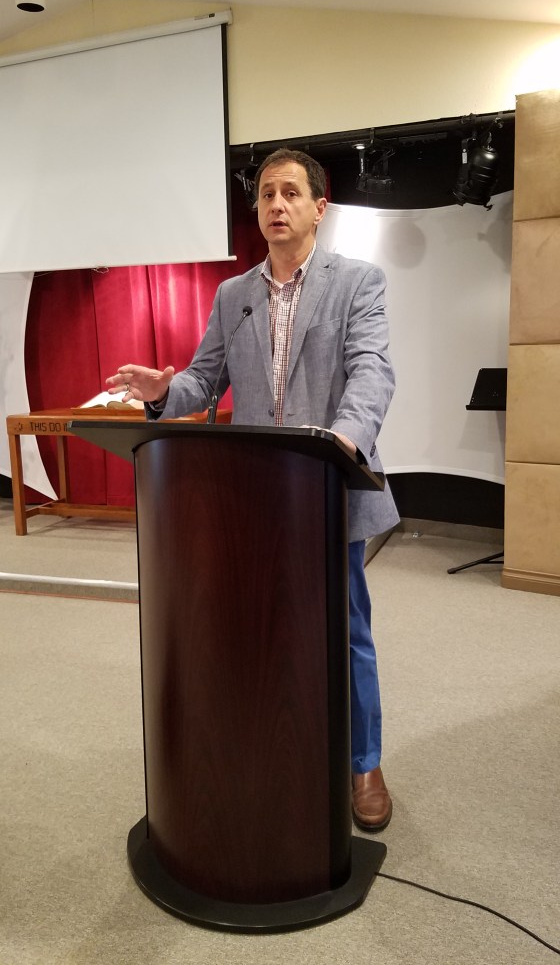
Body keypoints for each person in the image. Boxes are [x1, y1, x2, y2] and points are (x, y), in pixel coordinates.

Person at [107, 148, 399, 831]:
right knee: (257, 629)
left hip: (327, 487)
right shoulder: (232, 295)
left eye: (290, 193)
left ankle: (364, 762)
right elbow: (203, 380)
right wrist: (162, 393)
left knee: (346, 631)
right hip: (250, 497)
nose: (275, 205)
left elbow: (372, 371)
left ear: (318, 207)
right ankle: (268, 746)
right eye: (266, 194)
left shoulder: (357, 282)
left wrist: (344, 437)